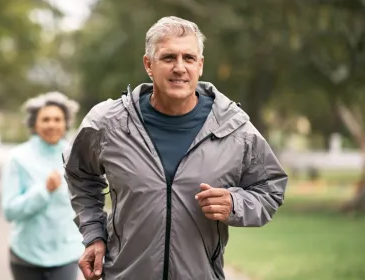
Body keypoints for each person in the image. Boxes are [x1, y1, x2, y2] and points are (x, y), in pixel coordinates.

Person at [63, 16, 288, 280]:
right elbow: (80, 174)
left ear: (200, 65)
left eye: (189, 58)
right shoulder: (108, 123)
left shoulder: (234, 129)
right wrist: (94, 234)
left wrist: (236, 203)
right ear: (149, 64)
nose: (179, 68)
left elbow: (271, 187)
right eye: (168, 58)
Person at [0, 91, 84, 280]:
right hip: (26, 253)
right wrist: (44, 190)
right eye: (45, 119)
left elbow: (87, 203)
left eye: (57, 119)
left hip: (66, 252)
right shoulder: (18, 158)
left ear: (65, 123)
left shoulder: (76, 156)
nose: (51, 124)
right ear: (34, 123)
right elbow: (9, 211)